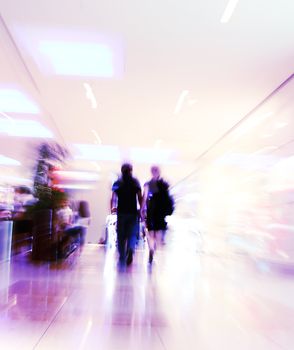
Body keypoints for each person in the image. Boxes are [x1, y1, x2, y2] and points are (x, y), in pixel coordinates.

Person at [111, 163, 142, 265]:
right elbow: (140, 197)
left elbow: (113, 197)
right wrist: (142, 209)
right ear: (131, 170)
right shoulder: (135, 182)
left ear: (121, 170)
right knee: (132, 234)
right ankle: (131, 249)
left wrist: (112, 208)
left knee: (121, 235)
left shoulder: (118, 182)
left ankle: (122, 255)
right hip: (133, 212)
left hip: (121, 212)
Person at [141, 165, 170, 263]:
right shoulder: (164, 184)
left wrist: (142, 209)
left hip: (151, 210)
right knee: (158, 232)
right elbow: (168, 198)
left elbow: (144, 198)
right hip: (160, 212)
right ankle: (154, 247)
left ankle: (151, 249)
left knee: (151, 232)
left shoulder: (148, 184)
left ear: (151, 172)